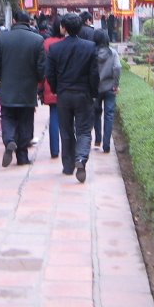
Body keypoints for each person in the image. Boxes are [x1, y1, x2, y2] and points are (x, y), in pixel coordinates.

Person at [0, 10, 46, 168]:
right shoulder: (37, 40)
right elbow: (42, 67)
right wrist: (37, 80)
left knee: (7, 116)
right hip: (28, 88)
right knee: (26, 121)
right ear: (29, 21)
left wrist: (2, 77)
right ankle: (22, 157)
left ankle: (9, 140)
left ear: (14, 20)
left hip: (8, 86)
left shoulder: (3, 38)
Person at [47, 13, 99, 183]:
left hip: (64, 94)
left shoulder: (55, 49)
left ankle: (68, 165)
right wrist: (93, 92)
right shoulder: (90, 47)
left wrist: (56, 90)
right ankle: (81, 158)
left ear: (63, 27)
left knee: (66, 130)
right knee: (84, 130)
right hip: (83, 93)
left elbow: (50, 74)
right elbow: (94, 74)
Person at [40, 18, 66, 159]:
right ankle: (68, 149)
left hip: (50, 84)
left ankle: (54, 150)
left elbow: (43, 67)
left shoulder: (47, 43)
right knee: (68, 119)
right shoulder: (68, 43)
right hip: (67, 84)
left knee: (54, 116)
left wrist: (40, 86)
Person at [92, 29, 121, 153]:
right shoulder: (113, 53)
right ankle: (106, 144)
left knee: (96, 113)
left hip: (95, 89)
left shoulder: (92, 54)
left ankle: (98, 139)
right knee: (109, 116)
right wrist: (115, 84)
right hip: (110, 88)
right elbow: (117, 68)